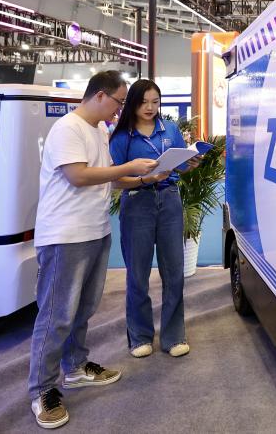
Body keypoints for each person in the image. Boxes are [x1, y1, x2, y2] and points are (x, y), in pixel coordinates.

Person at [28, 70, 159, 430]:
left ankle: (74, 367)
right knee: (56, 315)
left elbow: (110, 179)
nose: (121, 109)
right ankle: (42, 389)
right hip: (65, 236)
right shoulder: (67, 129)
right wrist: (128, 167)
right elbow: (79, 176)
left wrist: (145, 178)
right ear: (100, 95)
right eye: (119, 101)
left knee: (83, 309)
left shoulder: (99, 130)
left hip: (95, 230)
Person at [109, 79, 198, 359]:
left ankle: (173, 336)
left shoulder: (170, 129)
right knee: (138, 273)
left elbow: (180, 167)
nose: (150, 107)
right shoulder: (122, 136)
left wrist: (190, 164)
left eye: (155, 102)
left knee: (174, 271)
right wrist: (145, 179)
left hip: (169, 199)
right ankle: (139, 336)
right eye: (144, 102)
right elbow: (115, 181)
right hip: (138, 201)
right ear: (133, 103)